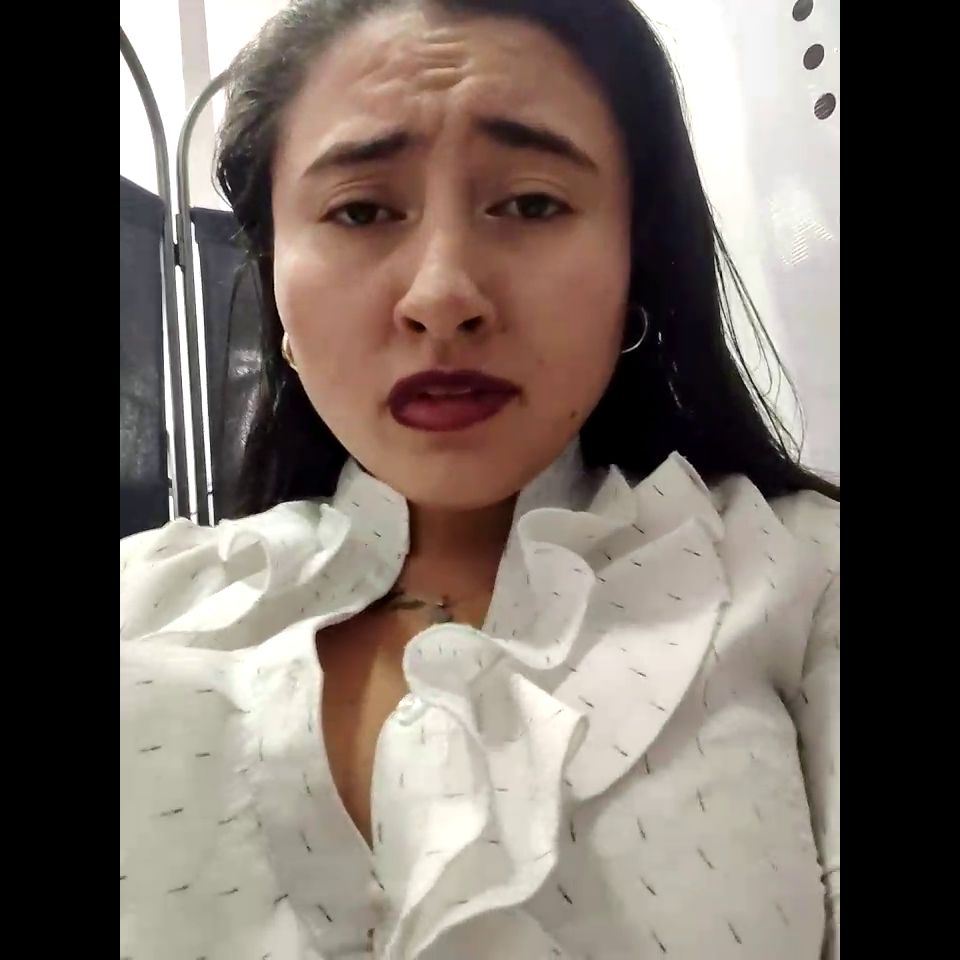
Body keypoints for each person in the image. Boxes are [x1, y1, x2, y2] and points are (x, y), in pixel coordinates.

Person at [120, 1, 840, 957]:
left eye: (532, 203)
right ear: (275, 277)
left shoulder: (804, 575)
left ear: (636, 258)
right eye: (361, 210)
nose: (442, 296)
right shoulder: (142, 603)